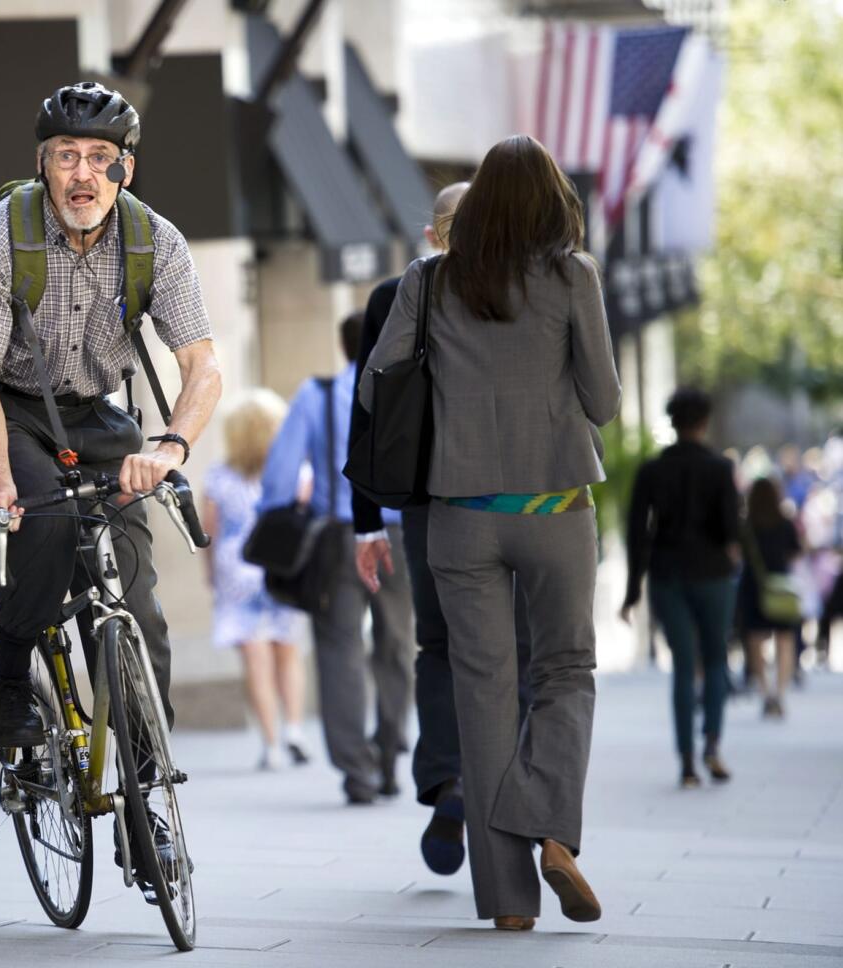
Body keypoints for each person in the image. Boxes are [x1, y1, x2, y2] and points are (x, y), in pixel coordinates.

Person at [0, 81, 222, 863]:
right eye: (67, 156)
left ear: (126, 169)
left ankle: (144, 801)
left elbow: (201, 366)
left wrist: (168, 449)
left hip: (95, 418)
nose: (83, 174)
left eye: (100, 158)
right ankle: (11, 681)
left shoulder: (155, 241)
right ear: (43, 163)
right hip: (5, 410)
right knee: (43, 516)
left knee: (140, 610)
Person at [362, 135, 621, 931]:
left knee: (481, 700)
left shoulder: (430, 280)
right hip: (554, 508)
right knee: (566, 670)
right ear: (554, 202)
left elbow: (378, 384)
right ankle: (552, 828)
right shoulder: (573, 276)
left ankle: (508, 905)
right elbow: (604, 401)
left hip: (460, 516)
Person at [349, 182, 533, 877]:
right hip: (516, 500)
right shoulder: (528, 290)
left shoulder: (393, 296)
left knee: (440, 645)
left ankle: (452, 780)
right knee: (512, 649)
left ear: (433, 237)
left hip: (427, 501)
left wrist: (367, 521)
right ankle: (502, 789)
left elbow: (367, 411)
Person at [260, 313, 416, 805]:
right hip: (400, 535)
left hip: (338, 538)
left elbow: (279, 478)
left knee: (339, 651)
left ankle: (358, 772)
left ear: (344, 345)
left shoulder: (318, 395)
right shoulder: (408, 390)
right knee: (397, 646)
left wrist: (280, 517)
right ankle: (389, 753)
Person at [620, 387, 740, 788]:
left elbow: (638, 533)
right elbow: (730, 530)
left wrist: (632, 590)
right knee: (716, 659)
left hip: (668, 574)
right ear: (704, 423)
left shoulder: (652, 471)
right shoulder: (721, 469)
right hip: (713, 575)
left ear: (672, 422)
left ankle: (687, 763)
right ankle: (713, 745)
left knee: (683, 668)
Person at [202, 390, 310, 769]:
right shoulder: (296, 470)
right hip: (281, 564)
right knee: (287, 649)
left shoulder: (218, 475)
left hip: (237, 566)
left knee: (255, 657)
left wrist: (211, 575)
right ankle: (295, 729)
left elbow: (209, 531)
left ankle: (271, 744)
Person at [738, 477, 804, 718]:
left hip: (753, 587)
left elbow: (736, 555)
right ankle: (779, 692)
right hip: (781, 589)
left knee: (755, 642)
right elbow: (797, 552)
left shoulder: (747, 525)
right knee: (784, 641)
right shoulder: (785, 524)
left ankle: (765, 692)